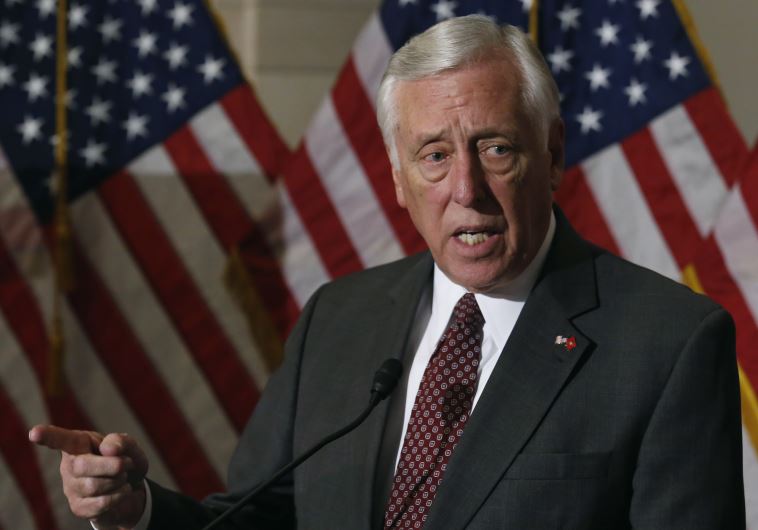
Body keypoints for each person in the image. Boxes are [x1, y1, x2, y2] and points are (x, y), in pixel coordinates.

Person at [30, 15, 744, 529]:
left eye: (495, 148)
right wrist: (140, 509)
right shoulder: (340, 318)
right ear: (399, 180)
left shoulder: (666, 344)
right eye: (434, 155)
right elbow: (262, 518)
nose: (466, 188)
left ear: (553, 154)